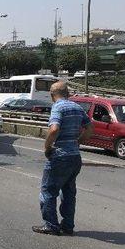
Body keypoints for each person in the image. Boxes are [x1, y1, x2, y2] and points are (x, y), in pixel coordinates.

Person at [33, 81, 93, 236]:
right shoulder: (77, 107)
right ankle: (67, 225)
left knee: (48, 191)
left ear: (53, 95)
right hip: (75, 157)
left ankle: (51, 225)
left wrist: (47, 147)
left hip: (60, 157)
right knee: (68, 192)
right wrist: (78, 141)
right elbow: (89, 129)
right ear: (67, 93)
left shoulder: (58, 107)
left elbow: (54, 129)